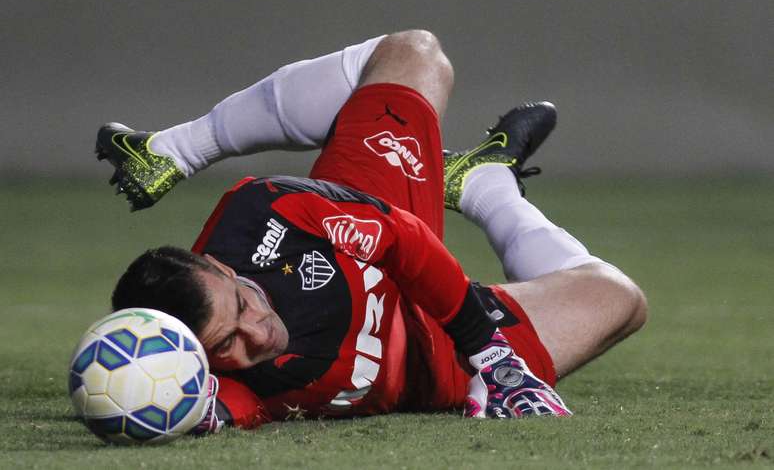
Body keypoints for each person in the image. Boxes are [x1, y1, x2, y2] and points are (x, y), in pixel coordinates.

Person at [96, 31, 647, 429]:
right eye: (226, 345)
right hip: (430, 360)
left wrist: (493, 356)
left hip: (389, 244)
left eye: (241, 307)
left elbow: (405, 239)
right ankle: (487, 186)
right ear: (195, 359)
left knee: (414, 54)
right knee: (619, 298)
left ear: (219, 268)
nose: (257, 334)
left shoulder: (262, 214)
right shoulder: (222, 384)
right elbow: (223, 410)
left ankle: (175, 149)